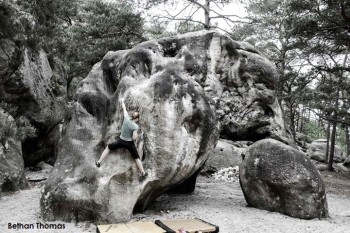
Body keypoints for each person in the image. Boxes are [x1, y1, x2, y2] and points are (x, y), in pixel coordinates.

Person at [96, 98, 148, 180]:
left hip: (121, 141)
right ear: (137, 119)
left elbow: (124, 108)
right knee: (136, 158)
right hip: (129, 144)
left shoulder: (126, 118)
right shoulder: (135, 126)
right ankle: (143, 173)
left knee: (108, 147)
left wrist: (122, 101)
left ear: (132, 116)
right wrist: (137, 133)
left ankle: (99, 162)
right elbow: (134, 137)